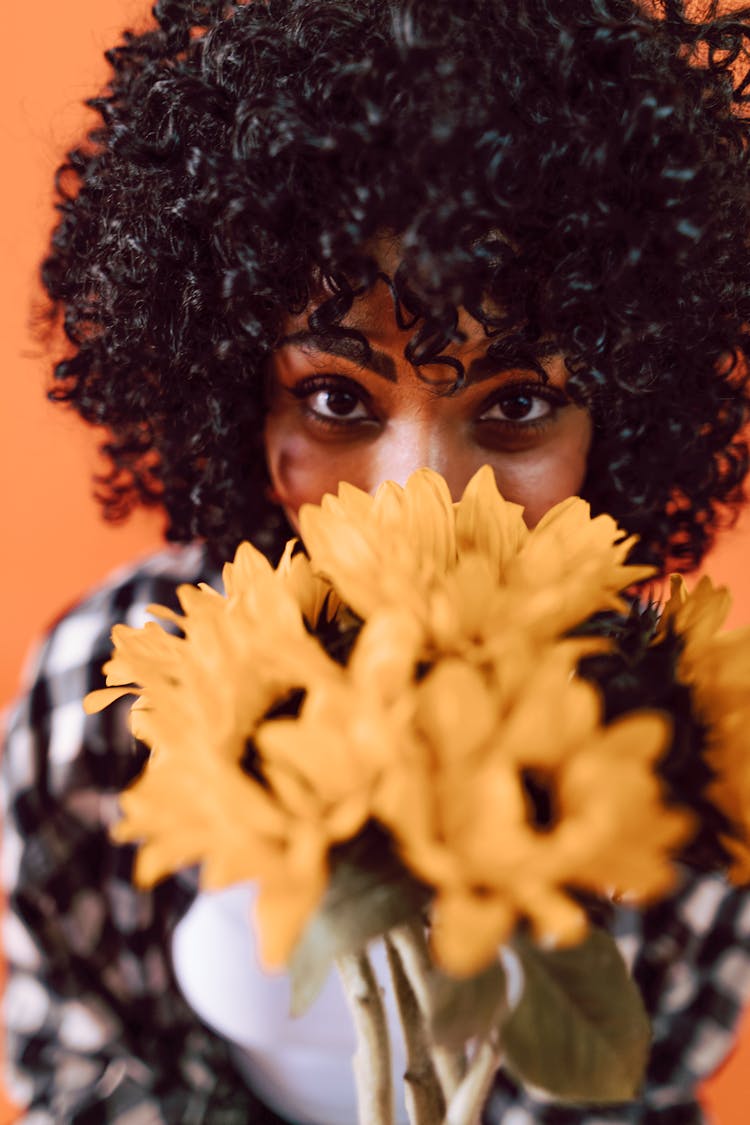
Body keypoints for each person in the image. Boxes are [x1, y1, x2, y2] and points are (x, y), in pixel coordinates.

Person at [4, 0, 750, 1121]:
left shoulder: (682, 745)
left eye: (521, 403)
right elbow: (67, 1065)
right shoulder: (104, 692)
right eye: (339, 397)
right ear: (238, 401)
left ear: (628, 416)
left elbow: (643, 1085)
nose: (423, 499)